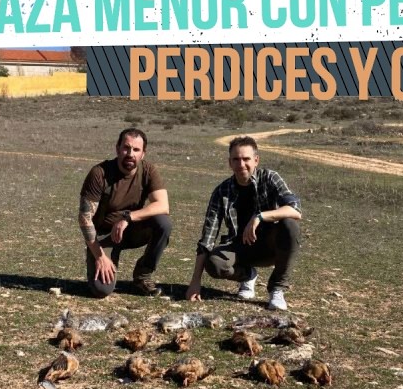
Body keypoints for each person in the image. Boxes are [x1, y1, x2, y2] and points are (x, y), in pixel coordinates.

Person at [186, 136, 302, 310]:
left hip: (270, 246)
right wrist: (195, 282)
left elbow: (295, 210)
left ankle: (277, 289)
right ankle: (247, 276)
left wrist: (260, 217)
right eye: (236, 159)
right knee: (215, 263)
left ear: (256, 160)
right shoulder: (221, 191)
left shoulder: (270, 178)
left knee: (290, 225)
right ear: (230, 163)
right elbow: (207, 238)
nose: (241, 164)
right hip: (240, 247)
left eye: (246, 159)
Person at [77, 128, 171, 298]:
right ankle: (105, 258)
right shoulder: (99, 173)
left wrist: (128, 218)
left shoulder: (148, 170)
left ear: (143, 153)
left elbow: (163, 206)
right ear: (117, 148)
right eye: (126, 148)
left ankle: (143, 275)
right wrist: (99, 256)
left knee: (163, 223)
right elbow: (84, 219)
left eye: (136, 150)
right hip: (104, 238)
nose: (130, 154)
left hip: (132, 231)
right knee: (102, 290)